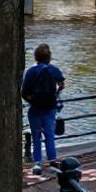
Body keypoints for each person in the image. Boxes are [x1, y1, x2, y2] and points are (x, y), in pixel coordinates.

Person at [21, 44, 65, 176]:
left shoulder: (31, 72)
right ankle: (52, 161)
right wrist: (55, 94)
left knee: (36, 136)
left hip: (35, 108)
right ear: (49, 57)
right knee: (50, 134)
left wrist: (32, 100)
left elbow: (24, 92)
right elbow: (62, 85)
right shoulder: (53, 70)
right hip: (50, 107)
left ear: (36, 57)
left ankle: (37, 163)